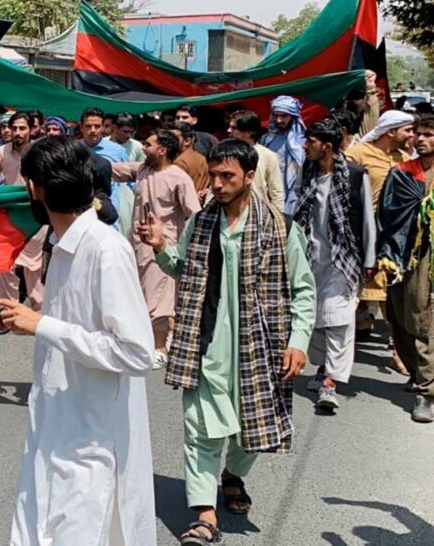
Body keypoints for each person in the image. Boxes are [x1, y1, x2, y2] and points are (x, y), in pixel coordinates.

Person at [0, 136, 155, 546]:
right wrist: (15, 320)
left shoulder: (105, 250)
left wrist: (41, 326)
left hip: (91, 438)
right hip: (55, 420)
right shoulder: (60, 243)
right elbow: (66, 328)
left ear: (34, 189)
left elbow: (137, 352)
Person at [140, 139, 316, 546]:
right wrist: (161, 247)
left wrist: (299, 341)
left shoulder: (282, 227)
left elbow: (304, 291)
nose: (216, 184)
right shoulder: (202, 223)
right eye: (214, 175)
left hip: (261, 347)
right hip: (206, 345)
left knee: (250, 427)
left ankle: (233, 474)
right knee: (199, 428)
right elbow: (183, 269)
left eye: (227, 176)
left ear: (249, 177)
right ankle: (203, 513)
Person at [294, 118, 375, 411]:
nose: (305, 147)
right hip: (311, 256)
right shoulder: (308, 171)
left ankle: (332, 381)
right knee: (314, 315)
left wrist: (369, 258)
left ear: (326, 146)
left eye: (310, 142)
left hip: (345, 258)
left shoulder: (354, 175)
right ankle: (323, 366)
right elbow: (300, 211)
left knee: (339, 318)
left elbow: (367, 218)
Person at [111, 129, 202, 369]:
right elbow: (113, 170)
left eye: (148, 143)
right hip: (138, 246)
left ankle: (159, 349)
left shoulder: (179, 178)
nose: (143, 147)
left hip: (163, 247)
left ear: (161, 150)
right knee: (141, 294)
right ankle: (151, 342)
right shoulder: (143, 170)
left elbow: (194, 214)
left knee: (157, 298)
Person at [376, 113, 434, 423]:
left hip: (429, 259)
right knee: (398, 316)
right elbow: (387, 214)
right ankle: (417, 374)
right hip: (401, 254)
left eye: (429, 134)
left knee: (422, 320)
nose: (422, 139)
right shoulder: (401, 174)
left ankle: (426, 393)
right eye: (419, 134)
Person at [346, 109, 415, 346]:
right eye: (407, 130)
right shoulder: (357, 154)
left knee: (388, 284)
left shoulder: (405, 159)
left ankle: (396, 342)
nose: (411, 135)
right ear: (390, 132)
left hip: (395, 233)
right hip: (364, 232)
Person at [0, 113, 35, 300]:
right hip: (9, 215)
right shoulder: (1, 152)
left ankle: (38, 312)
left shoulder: (39, 151)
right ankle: (7, 310)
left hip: (35, 216)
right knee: (5, 263)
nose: (18, 132)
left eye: (22, 128)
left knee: (34, 266)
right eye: (15, 128)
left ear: (31, 130)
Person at [227, 111, 285, 211]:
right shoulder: (225, 154)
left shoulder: (268, 156)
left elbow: (276, 192)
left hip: (259, 214)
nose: (228, 130)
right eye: (230, 127)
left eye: (234, 128)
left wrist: (278, 218)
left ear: (249, 132)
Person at [260, 95, 307, 215]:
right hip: (270, 194)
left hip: (295, 194)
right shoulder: (266, 140)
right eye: (276, 115)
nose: (279, 120)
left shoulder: (304, 142)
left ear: (293, 116)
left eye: (283, 116)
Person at [172, 123, 211, 199]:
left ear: (187, 141)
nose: (169, 141)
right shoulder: (201, 157)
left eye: (173, 138)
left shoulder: (179, 162)